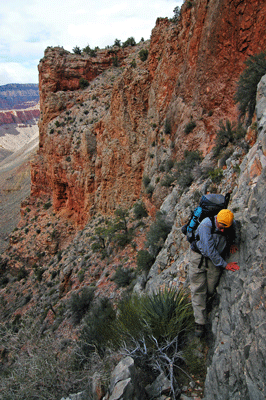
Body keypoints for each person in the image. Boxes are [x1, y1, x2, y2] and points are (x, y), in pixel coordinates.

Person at [189, 209, 239, 338]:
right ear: (217, 220)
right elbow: (210, 250)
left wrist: (232, 244)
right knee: (198, 289)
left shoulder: (228, 224)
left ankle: (203, 304)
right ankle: (199, 322)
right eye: (221, 227)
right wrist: (225, 265)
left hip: (214, 261)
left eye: (225, 228)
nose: (222, 230)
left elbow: (231, 233)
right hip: (199, 258)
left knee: (210, 288)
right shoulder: (206, 225)